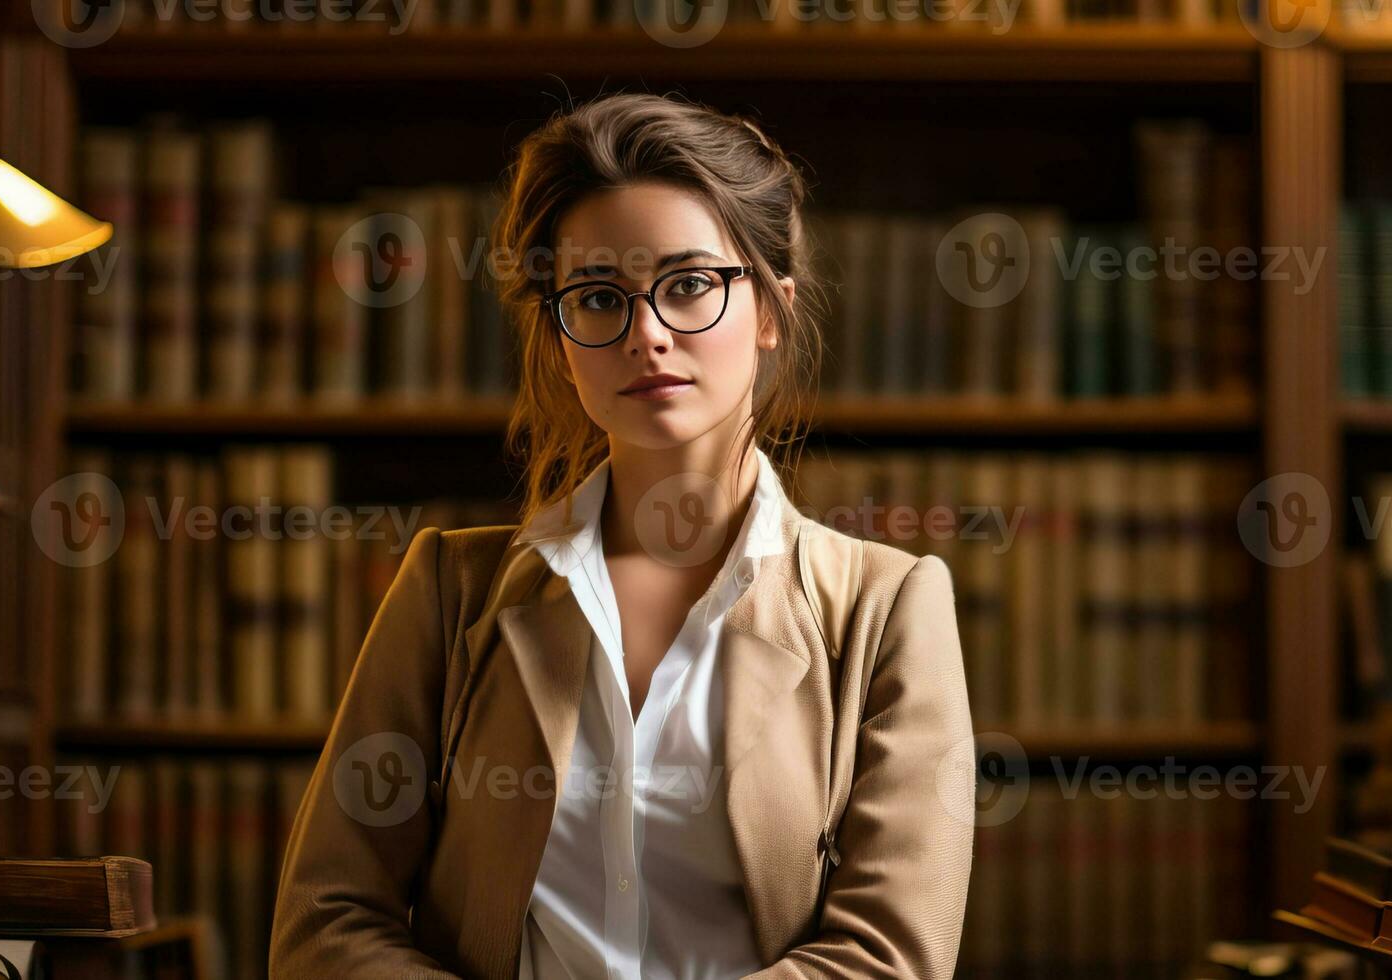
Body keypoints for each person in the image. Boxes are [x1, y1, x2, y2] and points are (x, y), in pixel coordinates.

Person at [271, 92, 974, 980]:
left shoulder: (886, 610)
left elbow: (891, 957)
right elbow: (327, 925)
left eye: (687, 285)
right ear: (561, 339)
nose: (645, 334)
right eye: (599, 297)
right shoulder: (450, 589)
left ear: (768, 311)